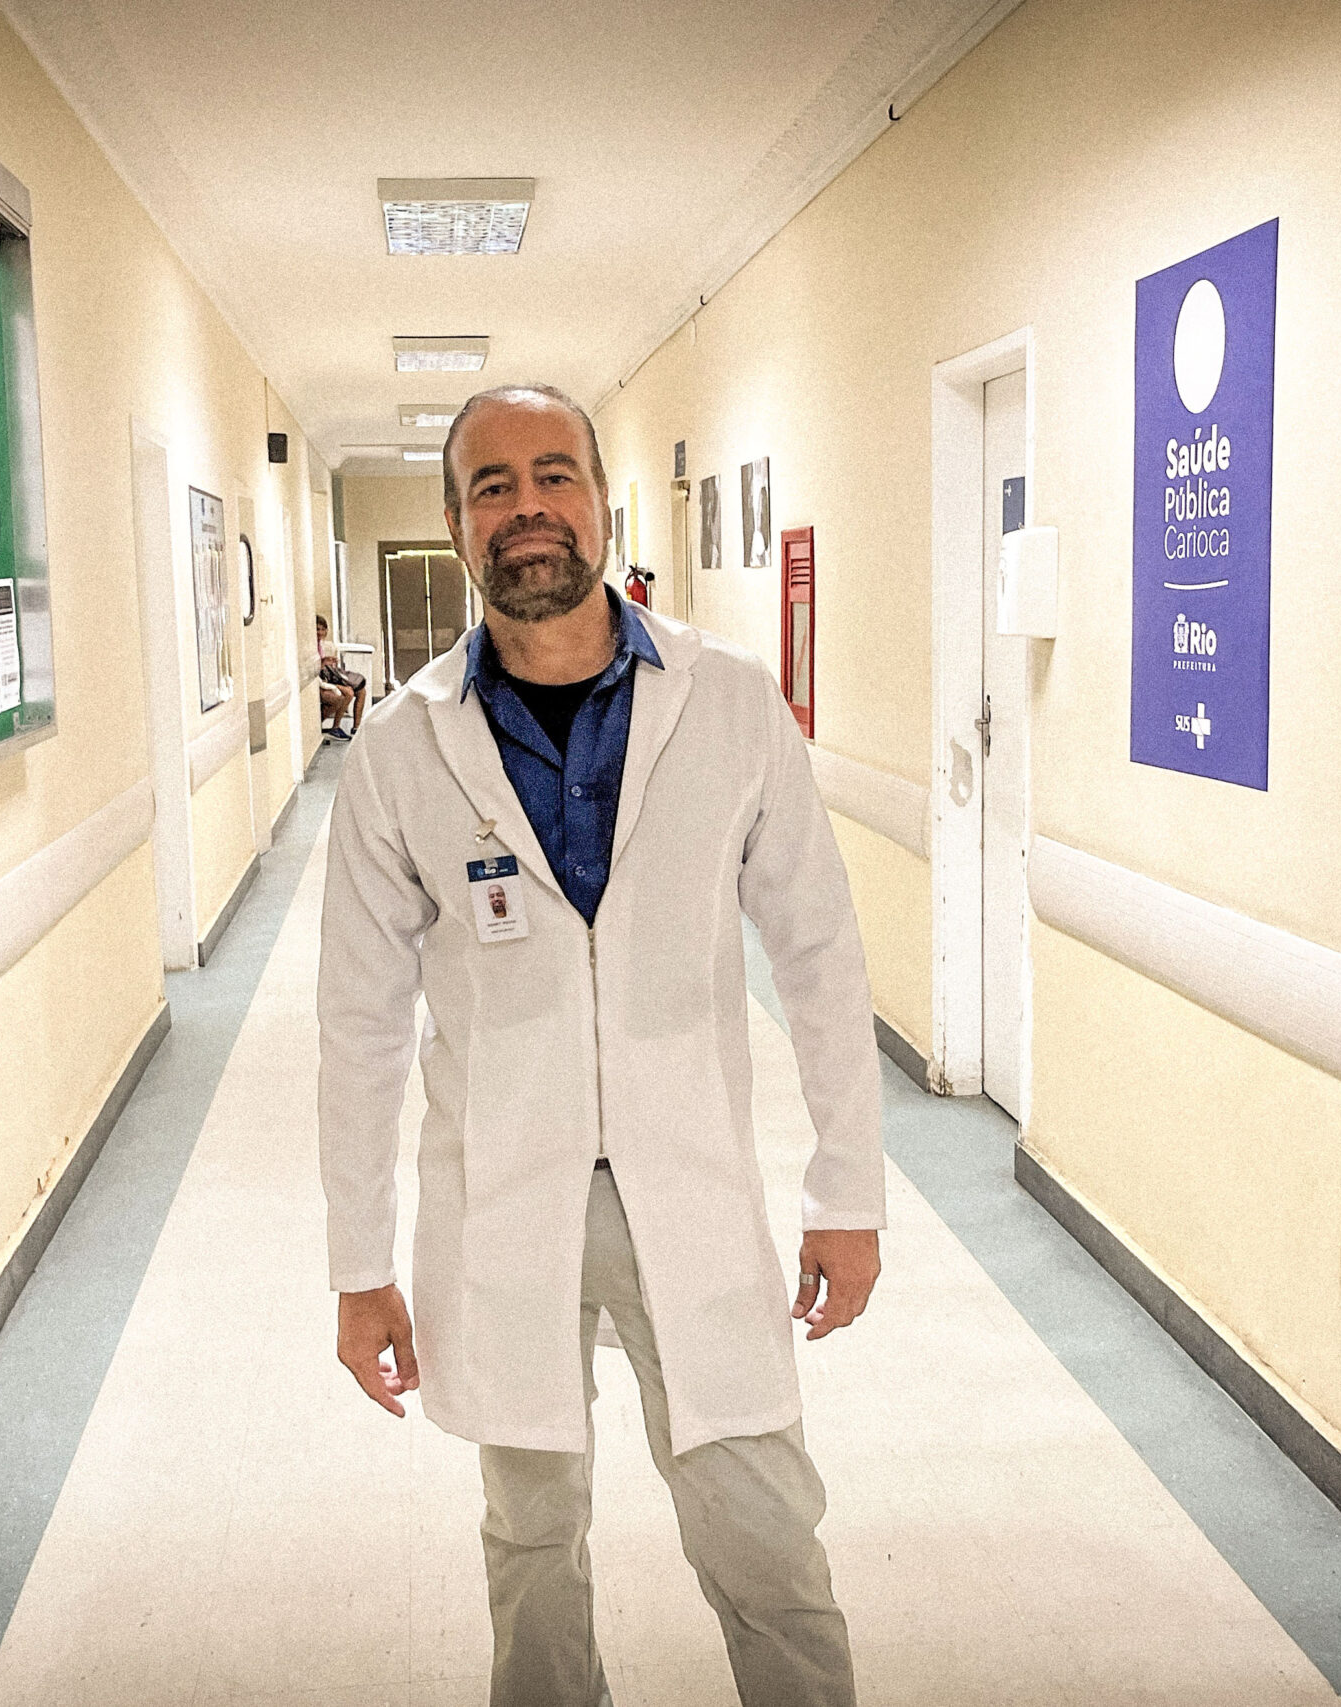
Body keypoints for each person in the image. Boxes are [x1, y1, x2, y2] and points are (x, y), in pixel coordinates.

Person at [319, 383, 883, 1707]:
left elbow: (821, 959)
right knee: (530, 1545)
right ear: (458, 524)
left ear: (602, 501)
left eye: (553, 475)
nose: (527, 508)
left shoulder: (733, 704)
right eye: (493, 486)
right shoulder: (403, 749)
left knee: (765, 1537)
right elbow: (357, 1023)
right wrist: (359, 1262)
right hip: (500, 1195)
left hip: (687, 1184)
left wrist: (846, 1192)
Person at [316, 613, 367, 739]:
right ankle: (335, 727)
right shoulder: (311, 647)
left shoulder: (324, 646)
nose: (320, 632)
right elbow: (315, 670)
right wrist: (323, 663)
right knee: (348, 693)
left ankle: (356, 727)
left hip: (330, 676)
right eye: (317, 629)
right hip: (322, 680)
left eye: (323, 629)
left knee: (361, 691)